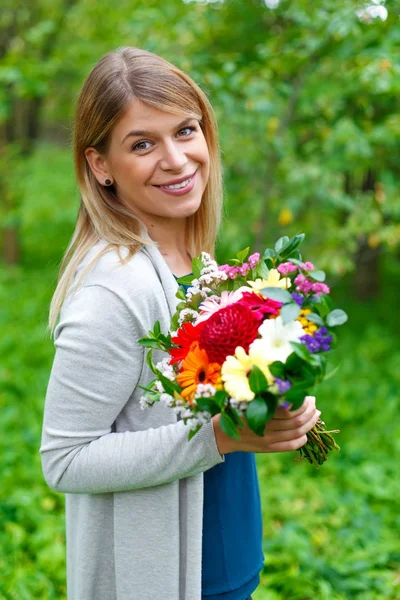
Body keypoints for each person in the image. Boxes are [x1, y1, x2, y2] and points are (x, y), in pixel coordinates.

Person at [39, 46, 321, 600]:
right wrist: (221, 436)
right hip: (169, 578)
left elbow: (202, 394)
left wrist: (277, 391)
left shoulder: (197, 262)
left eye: (186, 130)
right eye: (142, 143)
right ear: (100, 166)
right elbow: (65, 460)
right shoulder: (113, 290)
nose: (176, 159)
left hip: (226, 553)